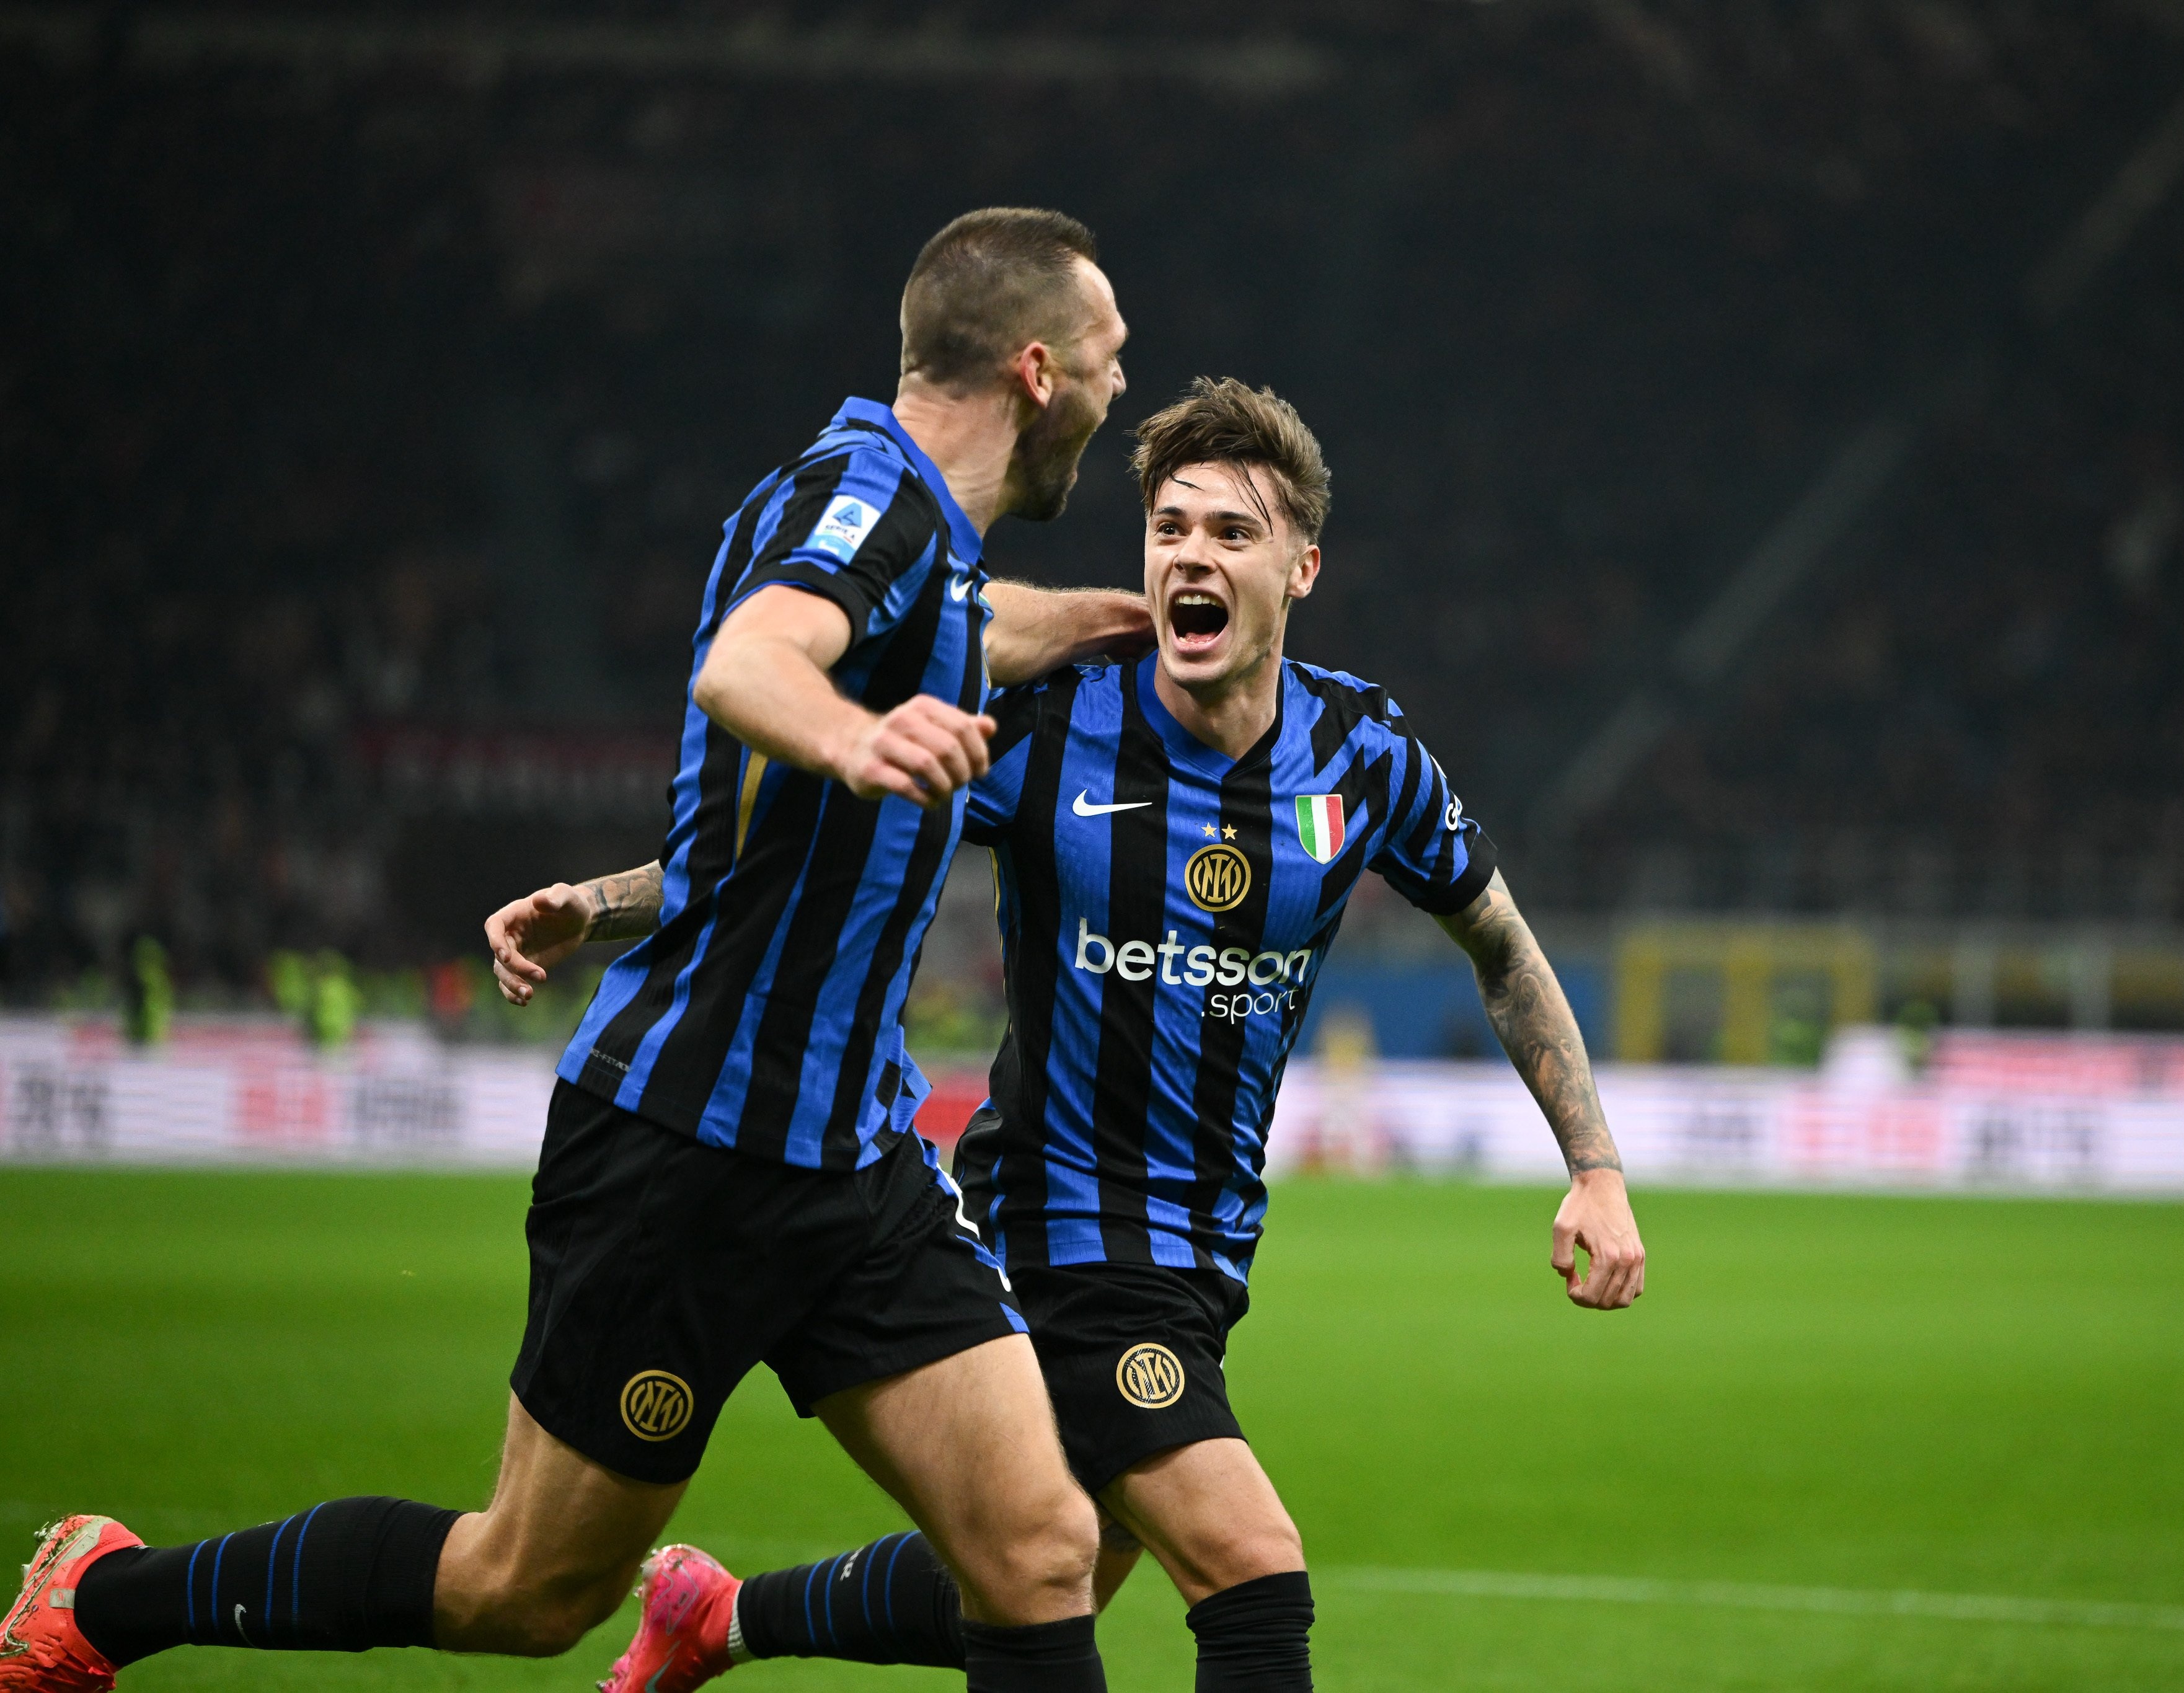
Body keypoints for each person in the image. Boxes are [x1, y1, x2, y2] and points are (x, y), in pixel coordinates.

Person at [0, 206, 1155, 1693]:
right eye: (1112, 356)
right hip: (689, 1149)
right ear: (1039, 370)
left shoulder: (910, 539)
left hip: (850, 1160)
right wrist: (855, 738)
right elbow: (749, 662)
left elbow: (952, 635)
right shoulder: (869, 502)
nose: (1123, 388)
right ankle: (106, 1596)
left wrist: (1102, 623)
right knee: (527, 1590)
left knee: (1041, 1548)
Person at [486, 378, 1648, 1692]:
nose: (1191, 555)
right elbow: (805, 839)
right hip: (1056, 1222)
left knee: (1055, 1566)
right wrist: (599, 905)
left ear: (1302, 568)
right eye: (1169, 527)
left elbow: (1502, 944)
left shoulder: (1362, 753)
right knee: (1250, 1565)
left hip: (1205, 1244)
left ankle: (720, 1619)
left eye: (1233, 531)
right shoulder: (1057, 728)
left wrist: (1594, 1165)